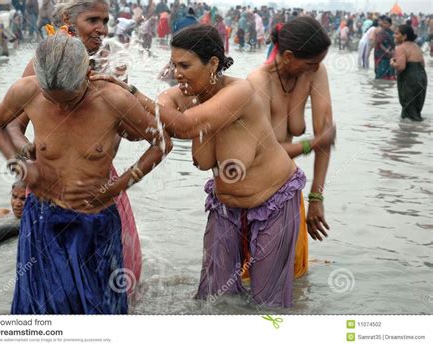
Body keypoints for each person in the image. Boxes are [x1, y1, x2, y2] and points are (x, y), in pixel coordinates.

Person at [94, 25, 306, 308]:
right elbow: (152, 124)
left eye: (184, 65)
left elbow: (185, 125)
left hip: (274, 202)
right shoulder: (182, 95)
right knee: (213, 300)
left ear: (213, 64)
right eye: (173, 65)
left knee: (267, 304)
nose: (176, 73)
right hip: (225, 206)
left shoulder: (240, 91)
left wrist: (132, 91)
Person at [0, 33, 172, 314]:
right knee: (41, 308)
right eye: (53, 99)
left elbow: (161, 142)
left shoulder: (114, 100)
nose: (61, 106)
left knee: (99, 308)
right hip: (42, 218)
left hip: (96, 221)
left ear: (87, 74)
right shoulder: (27, 90)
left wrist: (115, 187)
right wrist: (22, 166)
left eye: (69, 99)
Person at [6, 0, 143, 292]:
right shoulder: (42, 63)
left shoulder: (112, 64)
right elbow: (14, 126)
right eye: (93, 20)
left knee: (107, 280)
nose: (102, 29)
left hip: (100, 184)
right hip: (48, 183)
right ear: (68, 19)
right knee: (49, 281)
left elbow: (128, 128)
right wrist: (24, 160)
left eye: (106, 21)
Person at [247, 17, 336, 278]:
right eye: (310, 63)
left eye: (318, 63)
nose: (315, 68)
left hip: (288, 189)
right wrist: (310, 143)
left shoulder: (314, 72)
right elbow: (263, 151)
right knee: (254, 284)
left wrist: (316, 197)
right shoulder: (258, 82)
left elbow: (326, 134)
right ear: (287, 56)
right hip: (254, 194)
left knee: (293, 281)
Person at [391, 25, 427, 121]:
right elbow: (423, 64)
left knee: (408, 114)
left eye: (397, 33)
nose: (394, 36)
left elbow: (401, 66)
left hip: (410, 80)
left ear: (404, 36)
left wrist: (393, 63)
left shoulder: (401, 48)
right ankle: (415, 132)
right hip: (422, 78)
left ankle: (407, 133)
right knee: (415, 111)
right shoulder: (416, 46)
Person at [374, 16, 396, 80]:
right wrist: (387, 51)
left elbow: (394, 44)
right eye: (383, 23)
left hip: (390, 55)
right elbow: (379, 43)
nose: (384, 25)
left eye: (386, 23)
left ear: (390, 24)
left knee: (390, 71)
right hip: (381, 55)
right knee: (381, 73)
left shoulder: (392, 33)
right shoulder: (380, 32)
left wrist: (393, 52)